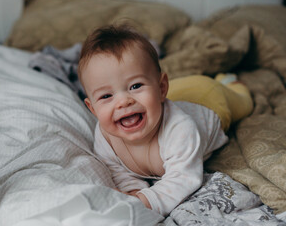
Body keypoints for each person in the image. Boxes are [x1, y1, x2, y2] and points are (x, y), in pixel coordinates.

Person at [77, 24, 253, 216]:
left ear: (162, 89)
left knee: (244, 103)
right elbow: (116, 170)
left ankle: (229, 82)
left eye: (135, 86)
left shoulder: (181, 129)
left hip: (210, 98)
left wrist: (146, 200)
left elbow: (183, 179)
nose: (123, 102)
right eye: (106, 96)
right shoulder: (106, 136)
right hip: (172, 94)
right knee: (156, 93)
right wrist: (133, 191)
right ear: (92, 108)